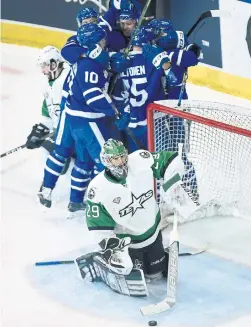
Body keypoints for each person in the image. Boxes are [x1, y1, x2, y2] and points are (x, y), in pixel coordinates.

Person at [37, 24, 128, 218]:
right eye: (102, 40)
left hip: (72, 116)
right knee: (107, 161)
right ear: (95, 42)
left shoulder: (86, 58)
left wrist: (110, 63)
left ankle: (74, 200)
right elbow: (92, 95)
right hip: (88, 120)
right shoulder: (89, 64)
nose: (105, 42)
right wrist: (114, 111)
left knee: (84, 160)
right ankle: (106, 205)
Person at [79, 138, 187, 284]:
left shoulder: (141, 160)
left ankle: (159, 256)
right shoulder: (98, 189)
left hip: (153, 233)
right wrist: (114, 249)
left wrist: (173, 183)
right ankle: (106, 261)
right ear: (106, 160)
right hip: (129, 243)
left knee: (155, 274)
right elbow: (98, 226)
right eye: (115, 159)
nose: (121, 161)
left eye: (123, 156)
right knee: (132, 271)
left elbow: (171, 160)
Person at [115, 27, 167, 153]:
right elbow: (170, 80)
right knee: (159, 160)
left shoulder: (120, 61)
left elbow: (117, 94)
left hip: (130, 122)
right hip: (153, 120)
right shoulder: (153, 60)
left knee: (137, 161)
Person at [26, 46, 70, 159]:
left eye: (44, 66)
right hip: (61, 133)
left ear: (53, 64)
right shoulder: (48, 86)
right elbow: (49, 114)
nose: (42, 71)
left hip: (73, 134)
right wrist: (40, 129)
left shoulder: (69, 80)